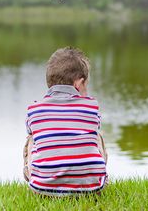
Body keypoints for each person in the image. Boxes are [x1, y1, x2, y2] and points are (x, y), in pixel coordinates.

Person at [23, 47, 108, 196]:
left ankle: (39, 177)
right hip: (92, 188)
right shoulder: (92, 106)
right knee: (96, 135)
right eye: (85, 86)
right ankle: (92, 175)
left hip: (42, 188)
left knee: (32, 138)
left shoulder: (34, 109)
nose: (86, 91)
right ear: (78, 84)